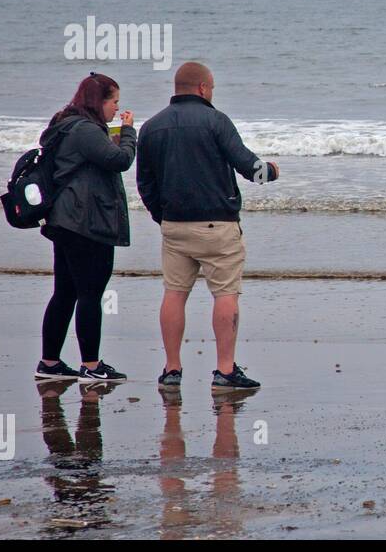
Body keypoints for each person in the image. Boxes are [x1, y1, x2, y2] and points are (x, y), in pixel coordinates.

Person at [136, 61, 280, 390]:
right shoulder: (216, 121)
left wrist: (161, 216)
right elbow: (248, 167)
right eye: (211, 87)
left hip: (174, 225)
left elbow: (144, 182)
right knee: (226, 294)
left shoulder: (152, 127)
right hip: (218, 225)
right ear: (203, 88)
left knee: (174, 294)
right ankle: (225, 371)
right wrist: (271, 170)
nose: (212, 92)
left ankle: (172, 370)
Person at [35, 72, 136, 382]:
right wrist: (130, 132)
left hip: (64, 219)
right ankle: (91, 366)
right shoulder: (86, 129)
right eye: (114, 101)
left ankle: (50, 363)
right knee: (90, 292)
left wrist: (114, 133)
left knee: (65, 291)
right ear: (99, 101)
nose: (117, 109)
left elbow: (98, 158)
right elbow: (120, 160)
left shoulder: (65, 123)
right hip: (85, 223)